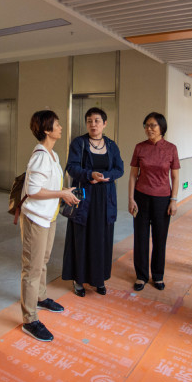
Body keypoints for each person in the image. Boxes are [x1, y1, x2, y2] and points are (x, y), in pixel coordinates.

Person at [19, 110, 80, 342]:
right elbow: (33, 190)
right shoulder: (41, 156)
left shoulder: (52, 155)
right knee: (32, 268)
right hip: (35, 218)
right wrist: (61, 194)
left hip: (48, 216)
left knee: (42, 261)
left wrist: (64, 192)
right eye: (57, 124)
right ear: (47, 130)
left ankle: (40, 297)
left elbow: (48, 186)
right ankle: (30, 319)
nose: (60, 127)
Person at [62, 107, 125, 296]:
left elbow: (119, 169)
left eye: (97, 120)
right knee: (81, 239)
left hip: (105, 199)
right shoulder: (79, 143)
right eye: (89, 121)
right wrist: (90, 174)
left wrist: (105, 176)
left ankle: (99, 279)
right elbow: (71, 167)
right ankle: (79, 280)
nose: (93, 124)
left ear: (105, 123)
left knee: (102, 239)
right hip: (83, 198)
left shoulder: (111, 145)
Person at [128, 112, 180, 291]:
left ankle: (158, 275)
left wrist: (173, 200)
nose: (149, 129)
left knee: (160, 238)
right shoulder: (140, 147)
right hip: (141, 197)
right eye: (146, 125)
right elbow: (133, 175)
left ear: (161, 127)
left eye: (153, 125)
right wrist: (131, 198)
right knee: (140, 238)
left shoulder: (171, 149)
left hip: (163, 200)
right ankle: (141, 276)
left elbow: (175, 177)